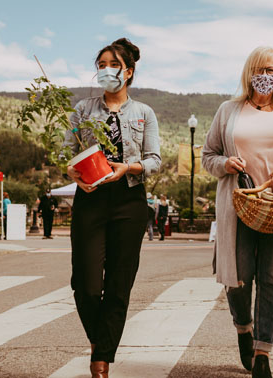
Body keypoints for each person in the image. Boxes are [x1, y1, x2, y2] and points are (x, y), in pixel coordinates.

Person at [202, 46, 273, 378]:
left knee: (270, 278)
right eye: (261, 69)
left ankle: (263, 351)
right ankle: (243, 327)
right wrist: (224, 163)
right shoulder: (228, 110)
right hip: (239, 204)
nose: (266, 75)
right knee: (237, 279)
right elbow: (208, 154)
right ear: (249, 71)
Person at [64, 38, 161, 378]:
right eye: (100, 64)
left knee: (119, 284)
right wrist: (72, 171)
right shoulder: (82, 109)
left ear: (128, 71)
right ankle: (100, 339)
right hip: (90, 198)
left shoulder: (144, 113)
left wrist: (128, 167)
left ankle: (101, 357)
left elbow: (154, 160)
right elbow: (67, 154)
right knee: (86, 284)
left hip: (129, 200)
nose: (104, 70)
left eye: (111, 64)